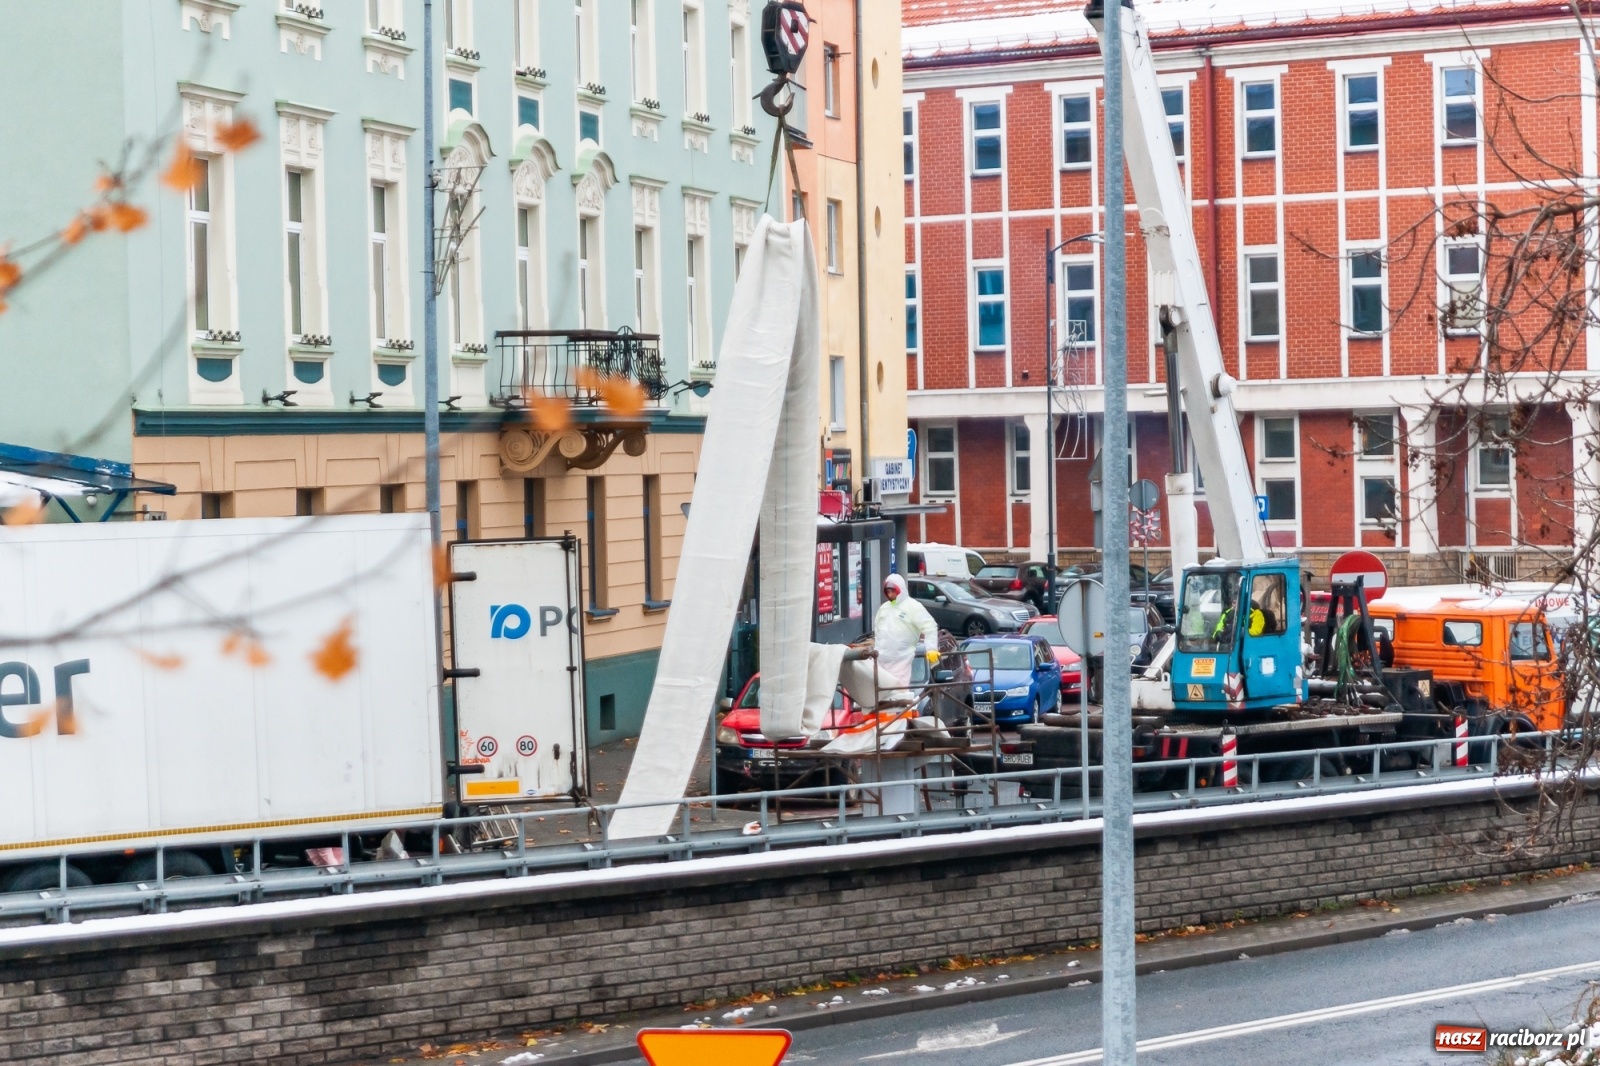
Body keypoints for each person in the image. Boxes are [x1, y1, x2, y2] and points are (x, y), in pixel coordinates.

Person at [874, 574, 940, 687]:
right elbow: (878, 633)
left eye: (893, 591)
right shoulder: (884, 608)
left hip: (901, 661)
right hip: (881, 661)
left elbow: (930, 627)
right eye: (888, 592)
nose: (890, 595)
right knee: (880, 696)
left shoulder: (913, 606)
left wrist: (931, 648)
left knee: (898, 694)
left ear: (900, 590)